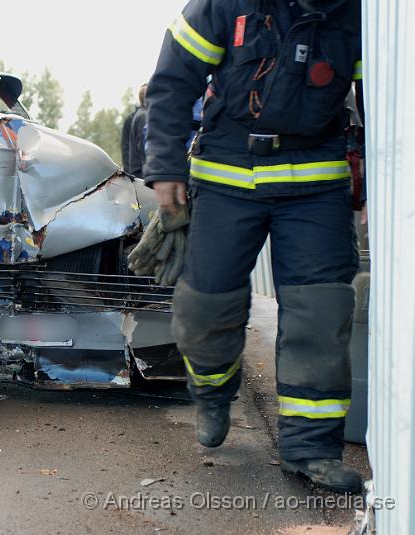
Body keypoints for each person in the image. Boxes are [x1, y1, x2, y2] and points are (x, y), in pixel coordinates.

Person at [135, 0, 364, 493]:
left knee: (319, 318)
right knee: (204, 309)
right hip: (224, 176)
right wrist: (167, 168)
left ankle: (311, 448)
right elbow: (174, 81)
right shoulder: (223, 5)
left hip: (316, 183)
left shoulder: (358, 14)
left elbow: (386, 95)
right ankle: (212, 393)